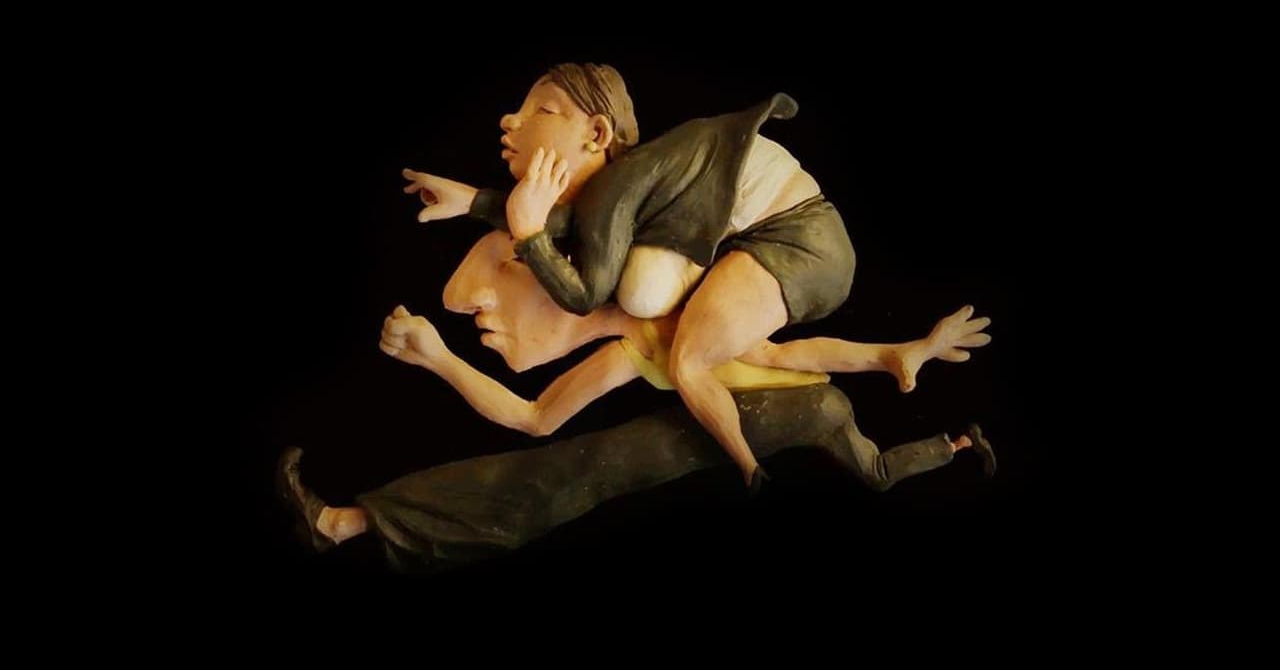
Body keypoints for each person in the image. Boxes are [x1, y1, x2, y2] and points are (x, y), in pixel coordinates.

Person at [276, 229, 995, 571]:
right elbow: (533, 417)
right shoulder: (637, 347)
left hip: (787, 416)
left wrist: (901, 352)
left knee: (556, 480)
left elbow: (793, 353)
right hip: (744, 428)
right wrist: (440, 359)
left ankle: (347, 524)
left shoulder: (705, 317)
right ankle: (347, 523)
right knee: (549, 480)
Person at [402, 63, 860, 490]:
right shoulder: (675, 319)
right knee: (747, 354)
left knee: (685, 360)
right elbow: (537, 418)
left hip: (802, 242)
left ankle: (752, 472)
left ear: (597, 133)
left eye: (542, 110)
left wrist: (529, 236)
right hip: (805, 270)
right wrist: (436, 355)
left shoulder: (632, 238)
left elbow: (583, 291)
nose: (508, 119)